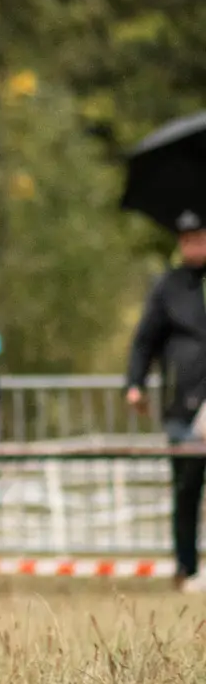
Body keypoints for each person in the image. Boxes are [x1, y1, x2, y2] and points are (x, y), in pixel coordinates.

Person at [123, 219, 206, 592]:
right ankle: (186, 568)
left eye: (200, 238)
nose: (194, 246)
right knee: (186, 489)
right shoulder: (169, 285)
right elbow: (145, 340)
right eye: (187, 240)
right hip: (182, 408)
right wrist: (135, 384)